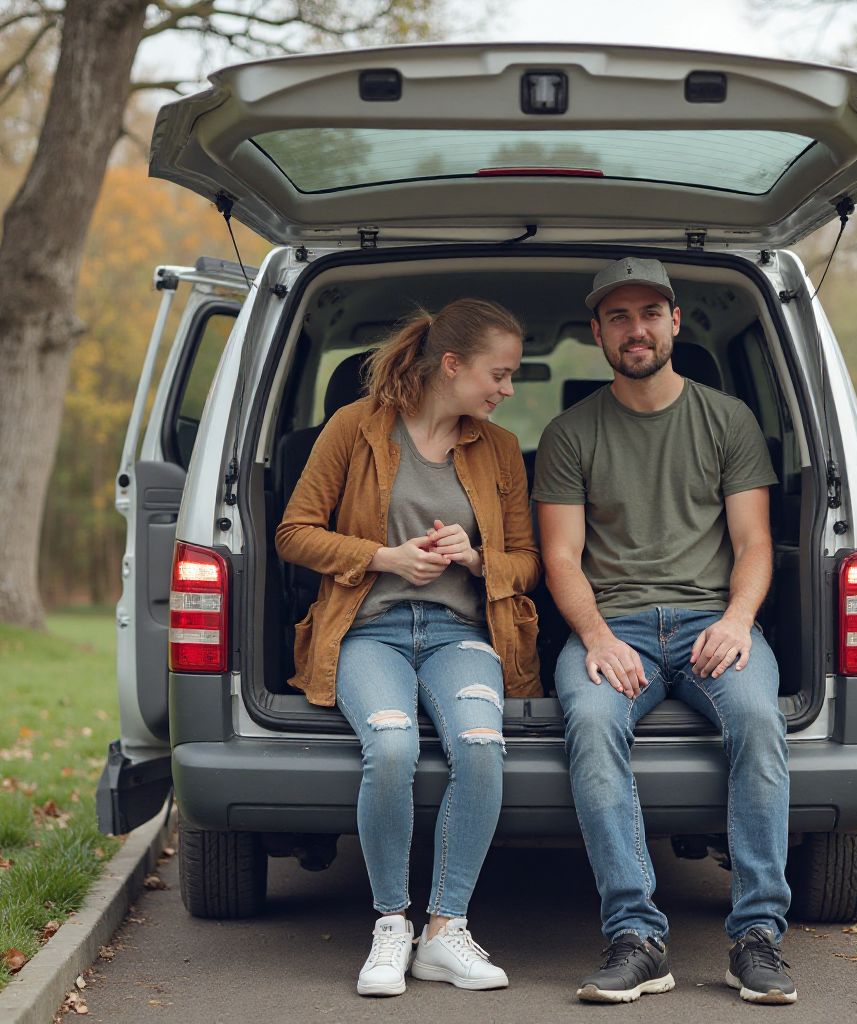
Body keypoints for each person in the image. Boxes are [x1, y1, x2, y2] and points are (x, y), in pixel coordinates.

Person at [533, 257, 796, 1006]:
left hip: (714, 622)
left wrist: (739, 620)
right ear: (598, 333)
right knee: (588, 722)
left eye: (650, 312)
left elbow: (752, 545)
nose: (635, 328)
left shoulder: (728, 420)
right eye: (618, 317)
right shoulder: (569, 433)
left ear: (675, 321)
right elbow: (561, 557)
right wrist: (597, 638)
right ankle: (637, 936)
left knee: (756, 720)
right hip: (613, 628)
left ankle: (757, 939)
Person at [276, 298, 541, 997]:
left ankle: (444, 932)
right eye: (501, 374)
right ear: (451, 366)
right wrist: (385, 558)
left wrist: (478, 558)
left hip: (461, 635)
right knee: (391, 746)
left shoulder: (501, 450)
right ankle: (390, 927)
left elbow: (528, 561)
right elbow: (294, 532)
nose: (508, 390)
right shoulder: (354, 429)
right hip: (368, 633)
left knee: (482, 745)